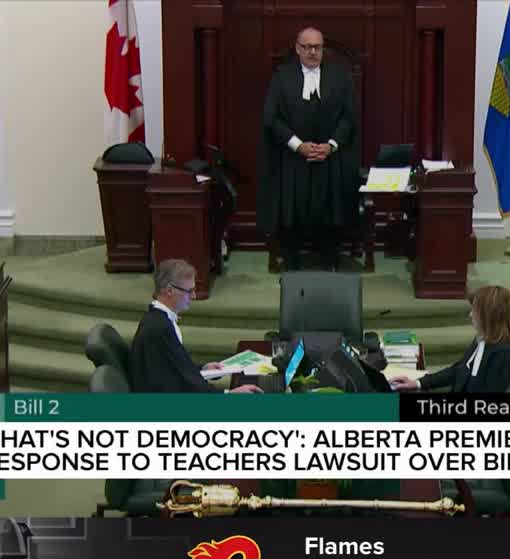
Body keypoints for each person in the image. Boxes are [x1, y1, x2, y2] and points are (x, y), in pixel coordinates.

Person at [256, 27, 359, 272]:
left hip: (329, 158)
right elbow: (272, 119)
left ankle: (329, 263)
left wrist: (331, 145)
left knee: (330, 213)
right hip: (293, 159)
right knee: (292, 213)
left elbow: (349, 118)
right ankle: (291, 264)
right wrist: (298, 145)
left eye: (317, 47)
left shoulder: (340, 77)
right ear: (297, 48)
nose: (313, 52)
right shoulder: (282, 77)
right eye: (307, 47)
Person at [128, 259, 261, 394]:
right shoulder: (160, 329)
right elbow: (184, 385)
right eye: (189, 291)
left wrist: (202, 369)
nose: (194, 295)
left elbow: (175, 368)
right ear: (169, 290)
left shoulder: (157, 318)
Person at [391, 286, 510, 393]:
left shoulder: (505, 357)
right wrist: (418, 382)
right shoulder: (483, 338)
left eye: (475, 310)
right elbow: (459, 370)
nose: (470, 314)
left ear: (489, 317)